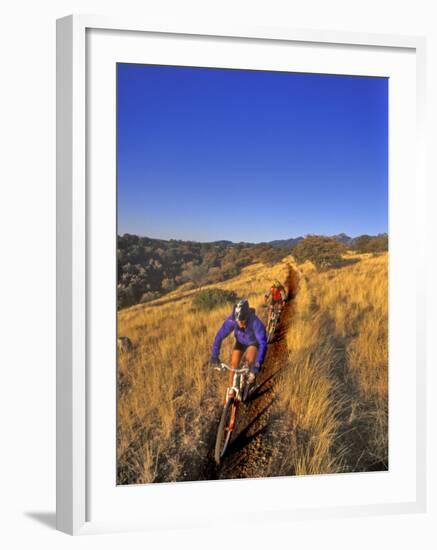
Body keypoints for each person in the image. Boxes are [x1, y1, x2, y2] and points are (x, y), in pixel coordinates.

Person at [210, 299, 267, 387]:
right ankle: (231, 391)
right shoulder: (232, 320)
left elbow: (263, 343)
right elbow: (219, 336)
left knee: (248, 362)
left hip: (253, 343)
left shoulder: (255, 322)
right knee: (233, 366)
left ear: (247, 316)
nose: (240, 323)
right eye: (237, 321)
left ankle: (250, 382)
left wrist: (258, 363)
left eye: (242, 320)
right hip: (240, 342)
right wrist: (214, 356)